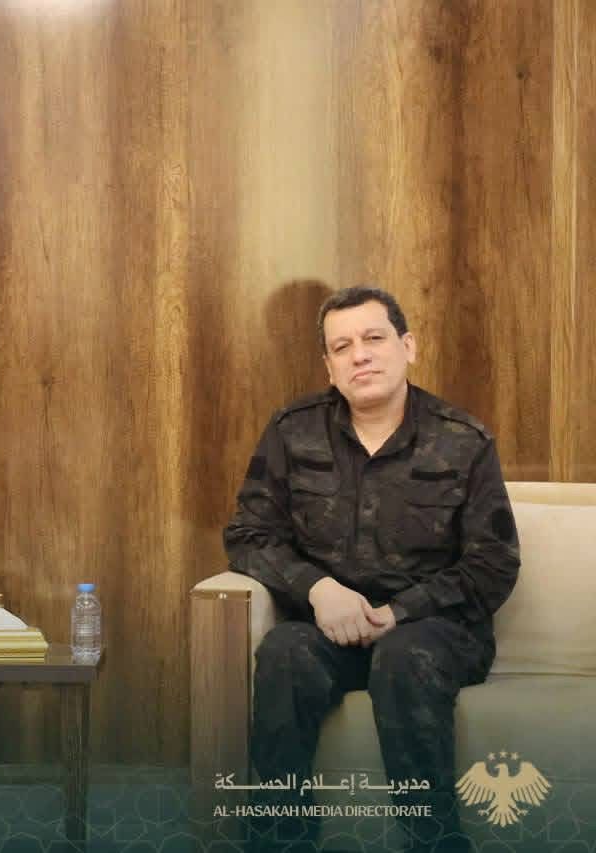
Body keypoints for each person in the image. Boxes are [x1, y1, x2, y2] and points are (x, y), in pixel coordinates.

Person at [223, 286, 520, 853]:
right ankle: (280, 840)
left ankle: (434, 842)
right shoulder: (293, 430)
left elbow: (494, 562)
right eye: (342, 347)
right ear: (330, 367)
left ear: (408, 346)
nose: (359, 355)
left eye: (374, 338)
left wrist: (399, 612)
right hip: (328, 629)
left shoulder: (464, 441)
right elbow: (247, 535)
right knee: (284, 651)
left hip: (433, 632)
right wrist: (318, 589)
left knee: (404, 656)